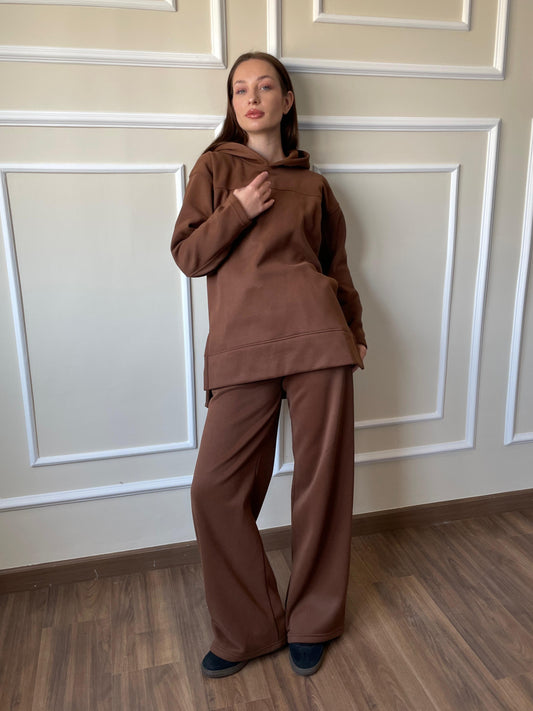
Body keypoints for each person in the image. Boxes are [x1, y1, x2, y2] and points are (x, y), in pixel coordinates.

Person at [170, 51, 367, 678]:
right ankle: (249, 629)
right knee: (214, 490)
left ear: (286, 99)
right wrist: (238, 210)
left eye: (264, 87)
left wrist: (355, 332)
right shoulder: (214, 168)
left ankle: (314, 621)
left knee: (322, 485)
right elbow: (188, 256)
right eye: (239, 89)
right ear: (232, 105)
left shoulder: (315, 185)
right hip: (243, 349)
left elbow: (336, 268)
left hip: (320, 340)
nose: (251, 98)